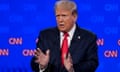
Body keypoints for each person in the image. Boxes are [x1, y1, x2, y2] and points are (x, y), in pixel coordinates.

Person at [31, 0, 99, 72]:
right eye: (57, 16)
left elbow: (92, 63)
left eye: (64, 15)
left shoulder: (88, 38)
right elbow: (35, 61)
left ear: (74, 16)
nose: (60, 20)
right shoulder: (45, 35)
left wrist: (72, 69)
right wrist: (42, 66)